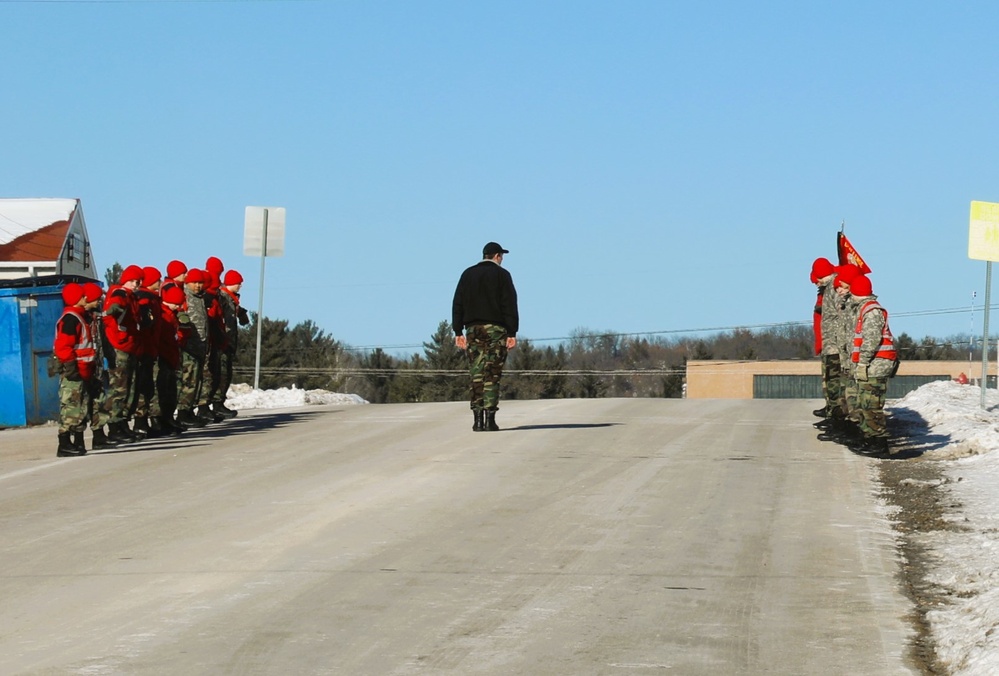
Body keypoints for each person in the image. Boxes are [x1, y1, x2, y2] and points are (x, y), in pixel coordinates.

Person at [452, 241, 519, 432]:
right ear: (497, 256)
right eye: (502, 256)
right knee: (492, 373)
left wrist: (458, 331)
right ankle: (490, 419)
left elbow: (458, 303)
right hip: (496, 330)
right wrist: (512, 332)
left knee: (477, 372)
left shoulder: (467, 274)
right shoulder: (502, 275)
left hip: (473, 329)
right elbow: (509, 304)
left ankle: (477, 420)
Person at [847, 274, 899, 454]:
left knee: (871, 405)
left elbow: (871, 339)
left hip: (876, 365)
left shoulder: (871, 311)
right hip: (872, 364)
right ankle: (869, 439)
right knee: (864, 404)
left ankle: (879, 442)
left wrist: (862, 362)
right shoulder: (865, 310)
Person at [53, 284, 98, 456]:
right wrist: (71, 367)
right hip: (75, 370)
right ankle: (64, 444)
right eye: (82, 296)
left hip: (83, 370)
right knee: (70, 407)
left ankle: (78, 441)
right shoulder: (71, 319)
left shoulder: (80, 317)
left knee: (81, 406)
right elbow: (64, 346)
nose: (86, 298)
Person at [102, 264, 143, 443]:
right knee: (119, 388)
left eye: (138, 282)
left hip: (129, 345)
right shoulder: (120, 293)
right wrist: (116, 308)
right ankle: (114, 425)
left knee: (129, 388)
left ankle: (123, 423)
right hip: (119, 345)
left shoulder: (131, 297)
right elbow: (114, 306)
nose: (136, 284)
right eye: (133, 281)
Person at [214, 269, 249, 418]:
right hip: (223, 340)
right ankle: (216, 405)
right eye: (238, 283)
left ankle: (219, 404)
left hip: (228, 341)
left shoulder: (231, 298)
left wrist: (242, 313)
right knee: (221, 374)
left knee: (226, 374)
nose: (240, 285)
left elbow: (236, 310)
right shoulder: (222, 297)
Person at [809, 258, 838, 419]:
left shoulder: (833, 289)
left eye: (817, 279)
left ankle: (837, 417)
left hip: (834, 343)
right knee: (830, 383)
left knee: (835, 384)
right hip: (828, 342)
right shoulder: (826, 291)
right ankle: (832, 412)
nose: (816, 283)